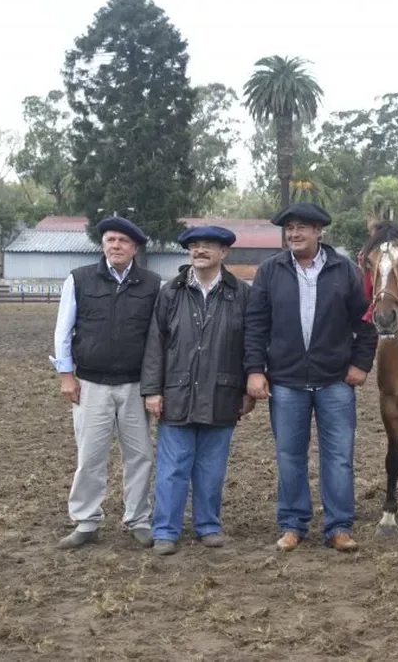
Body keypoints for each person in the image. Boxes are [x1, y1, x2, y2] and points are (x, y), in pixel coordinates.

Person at [245, 202, 378, 553]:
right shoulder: (270, 272)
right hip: (286, 382)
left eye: (302, 227)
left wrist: (361, 364)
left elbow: (366, 321)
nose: (294, 234)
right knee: (289, 456)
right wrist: (255, 370)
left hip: (335, 381)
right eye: (289, 229)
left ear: (319, 231)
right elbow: (255, 325)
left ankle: (339, 526)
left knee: (339, 456)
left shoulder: (344, 270)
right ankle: (293, 524)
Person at [140, 226, 254, 555]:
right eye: (194, 245)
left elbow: (251, 343)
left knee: (212, 468)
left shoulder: (241, 293)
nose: (200, 250)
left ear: (224, 252)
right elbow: (155, 343)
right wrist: (153, 390)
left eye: (208, 246)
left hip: (223, 392)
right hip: (176, 393)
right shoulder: (171, 292)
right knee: (172, 467)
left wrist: (248, 387)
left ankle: (208, 525)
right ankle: (166, 530)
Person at [50, 216, 162, 550]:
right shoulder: (79, 279)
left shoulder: (153, 284)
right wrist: (66, 375)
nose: (116, 246)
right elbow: (63, 330)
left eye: (123, 241)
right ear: (102, 245)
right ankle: (86, 520)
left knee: (140, 456)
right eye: (111, 240)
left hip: (134, 385)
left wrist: (154, 385)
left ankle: (138, 519)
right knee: (90, 456)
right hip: (91, 384)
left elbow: (159, 338)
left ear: (135, 248)